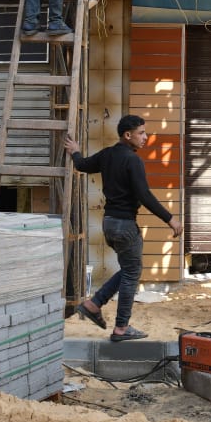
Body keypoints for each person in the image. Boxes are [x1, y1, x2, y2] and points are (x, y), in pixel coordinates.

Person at [64, 115, 183, 341]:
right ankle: (121, 327)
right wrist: (170, 219)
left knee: (129, 269)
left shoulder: (107, 154)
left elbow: (82, 165)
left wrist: (76, 152)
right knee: (131, 274)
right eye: (141, 133)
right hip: (125, 225)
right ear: (128, 135)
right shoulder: (133, 160)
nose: (145, 137)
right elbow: (144, 195)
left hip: (109, 223)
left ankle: (94, 304)